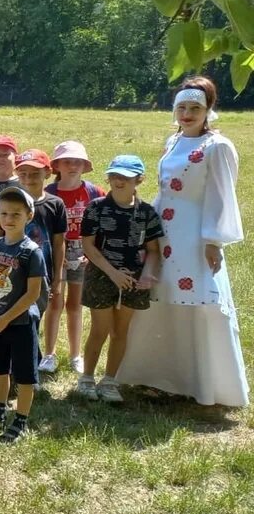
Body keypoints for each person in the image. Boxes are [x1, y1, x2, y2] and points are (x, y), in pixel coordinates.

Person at [119, 78, 247, 406]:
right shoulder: (172, 141)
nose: (187, 114)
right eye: (181, 107)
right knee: (163, 298)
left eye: (195, 108)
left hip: (195, 237)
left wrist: (213, 240)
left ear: (208, 111)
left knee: (197, 302)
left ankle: (204, 385)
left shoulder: (218, 147)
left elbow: (221, 196)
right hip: (164, 234)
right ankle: (161, 378)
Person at [73, 155, 164, 403]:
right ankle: (87, 379)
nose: (118, 181)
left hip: (133, 279)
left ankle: (110, 381)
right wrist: (112, 273)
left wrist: (147, 274)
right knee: (100, 329)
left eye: (125, 177)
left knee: (121, 331)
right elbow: (89, 247)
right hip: (101, 276)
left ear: (139, 180)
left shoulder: (147, 213)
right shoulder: (97, 207)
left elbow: (154, 250)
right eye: (114, 175)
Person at [0, 186, 45, 443]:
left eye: (16, 214)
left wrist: (6, 318)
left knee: (24, 375)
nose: (9, 219)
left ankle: (21, 420)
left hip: (21, 323)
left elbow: (33, 294)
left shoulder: (31, 251)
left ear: (29, 215)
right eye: (4, 213)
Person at [42, 140, 103, 376]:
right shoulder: (49, 193)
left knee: (75, 304)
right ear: (56, 165)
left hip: (83, 251)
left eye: (77, 162)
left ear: (84, 165)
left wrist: (92, 252)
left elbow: (102, 223)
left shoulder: (94, 192)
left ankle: (76, 355)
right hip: (56, 249)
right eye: (67, 161)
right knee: (54, 302)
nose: (72, 166)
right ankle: (49, 354)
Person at [15, 150, 69, 376]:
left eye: (35, 173)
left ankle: (29, 366)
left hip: (42, 274)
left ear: (47, 172)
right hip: (14, 272)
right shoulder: (11, 200)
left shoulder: (55, 204)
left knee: (33, 318)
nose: (28, 177)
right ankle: (15, 364)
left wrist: (57, 279)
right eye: (23, 172)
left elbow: (59, 244)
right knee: (14, 318)